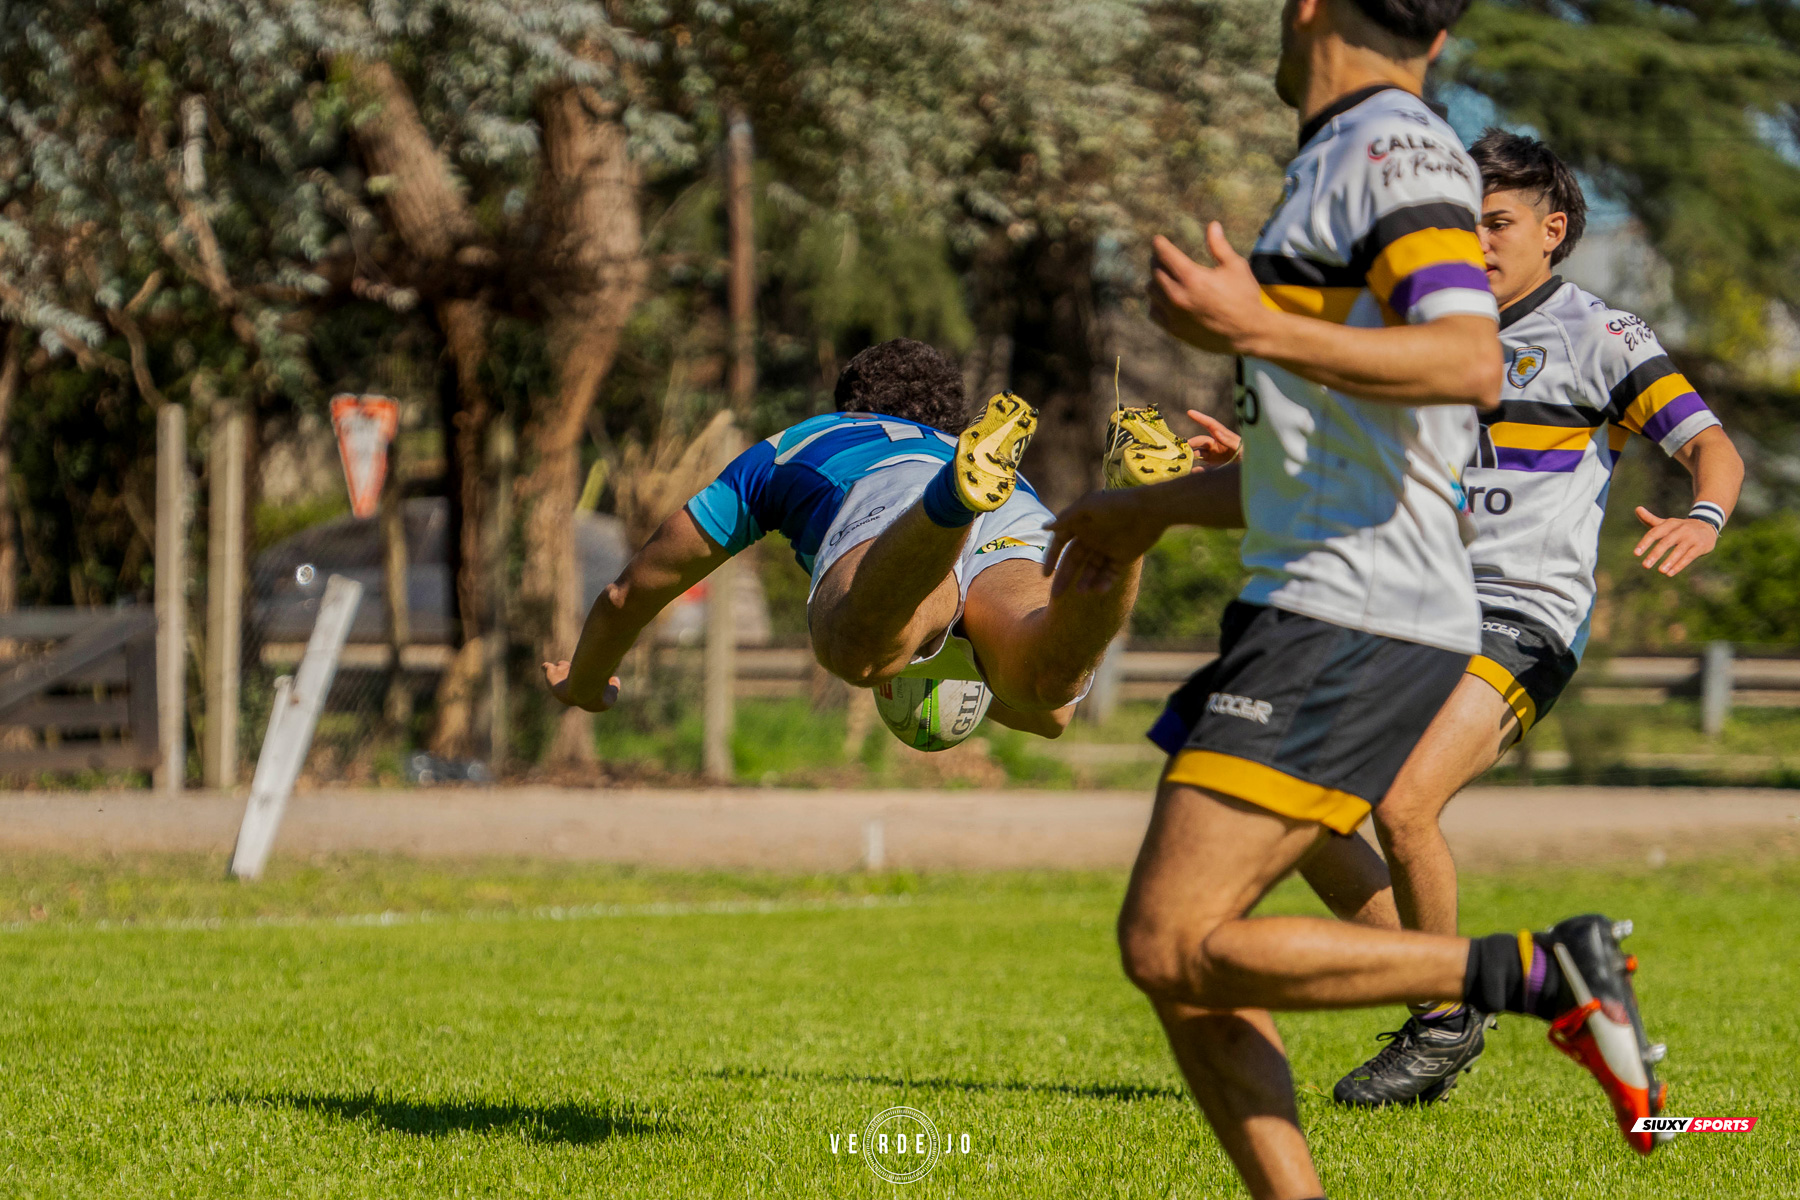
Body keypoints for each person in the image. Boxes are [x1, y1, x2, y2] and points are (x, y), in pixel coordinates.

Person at [1044, 0, 1672, 1192]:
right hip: (1322, 601)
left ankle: (1537, 976)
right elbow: (1350, 455)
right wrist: (1149, 509)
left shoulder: (1392, 148)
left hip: (1351, 613)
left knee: (1171, 938)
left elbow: (1465, 359)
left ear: (1309, 8)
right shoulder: (1349, 151)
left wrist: (1252, 324)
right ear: (1433, 37)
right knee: (1183, 954)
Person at [1296, 130, 1743, 1107]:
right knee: (1294, 814)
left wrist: (1704, 516)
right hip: (1408, 608)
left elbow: (1713, 448)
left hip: (1522, 615)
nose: (1475, 241)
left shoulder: (1601, 336)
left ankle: (1440, 1022)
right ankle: (1450, 1003)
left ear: (1553, 229)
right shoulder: (1418, 331)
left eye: (1495, 222)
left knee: (1402, 804)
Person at [541, 337, 1191, 740]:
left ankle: (952, 500)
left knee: (859, 654)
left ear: (849, 405)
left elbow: (632, 590)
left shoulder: (805, 441)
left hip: (896, 490)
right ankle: (1126, 515)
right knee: (1048, 683)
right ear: (952, 422)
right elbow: (1051, 715)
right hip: (1016, 509)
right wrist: (950, 656)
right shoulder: (1000, 470)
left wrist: (585, 681)